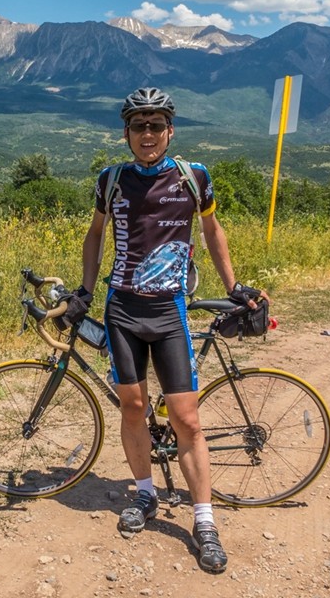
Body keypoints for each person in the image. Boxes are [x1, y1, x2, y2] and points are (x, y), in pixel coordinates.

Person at [62, 87, 268, 574]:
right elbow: (95, 236)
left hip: (169, 311)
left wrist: (235, 285)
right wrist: (86, 291)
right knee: (133, 408)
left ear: (170, 131)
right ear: (127, 133)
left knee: (187, 419)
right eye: (139, 125)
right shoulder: (110, 180)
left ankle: (204, 520)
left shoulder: (193, 177)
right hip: (123, 309)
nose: (148, 134)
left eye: (156, 125)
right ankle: (146, 493)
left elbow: (213, 232)